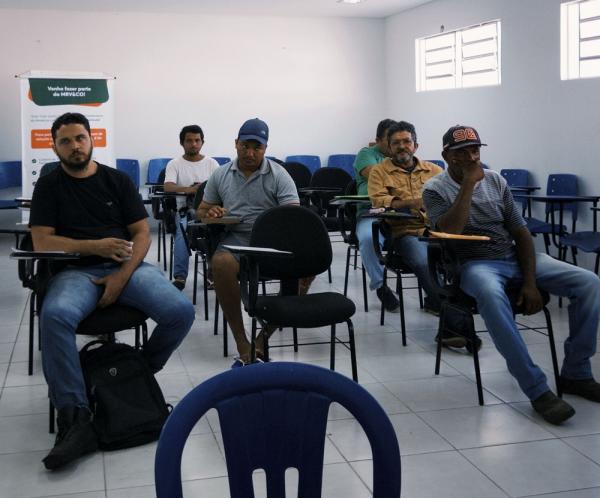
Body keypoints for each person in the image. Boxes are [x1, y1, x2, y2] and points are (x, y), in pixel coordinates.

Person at [30, 112, 195, 469]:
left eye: (80, 138)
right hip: (75, 272)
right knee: (55, 316)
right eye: (65, 141)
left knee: (181, 312)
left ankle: (136, 372)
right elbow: (42, 239)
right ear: (54, 146)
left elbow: (141, 233)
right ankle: (75, 419)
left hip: (127, 268)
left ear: (91, 139)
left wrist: (122, 275)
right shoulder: (49, 186)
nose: (75, 147)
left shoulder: (117, 180)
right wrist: (96, 247)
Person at [422, 124, 600, 425]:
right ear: (447, 156)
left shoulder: (496, 180)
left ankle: (577, 372)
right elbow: (448, 232)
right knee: (491, 295)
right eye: (462, 152)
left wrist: (530, 283)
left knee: (589, 283)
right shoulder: (434, 189)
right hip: (474, 264)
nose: (472, 157)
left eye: (475, 150)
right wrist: (467, 185)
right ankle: (537, 389)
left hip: (513, 256)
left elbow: (520, 231)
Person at [197, 118, 300, 367]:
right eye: (245, 146)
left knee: (307, 270)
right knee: (220, 263)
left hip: (272, 241)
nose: (250, 152)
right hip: (236, 239)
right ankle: (242, 342)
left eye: (257, 147)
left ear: (265, 148)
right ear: (236, 144)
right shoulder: (221, 174)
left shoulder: (279, 175)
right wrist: (211, 213)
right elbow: (202, 209)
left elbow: (293, 215)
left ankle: (262, 339)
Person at [368, 120, 444, 317]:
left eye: (406, 141)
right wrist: (414, 202)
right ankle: (452, 317)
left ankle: (443, 307)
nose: (402, 146)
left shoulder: (434, 171)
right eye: (396, 143)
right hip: (406, 233)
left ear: (415, 145)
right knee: (423, 262)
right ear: (389, 148)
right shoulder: (379, 172)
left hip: (438, 230)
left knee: (465, 259)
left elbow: (449, 198)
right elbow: (378, 202)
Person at [164, 125, 219, 290]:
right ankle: (180, 277)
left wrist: (204, 189)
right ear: (182, 143)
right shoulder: (175, 164)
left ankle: (213, 274)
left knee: (217, 230)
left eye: (197, 140)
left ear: (202, 142)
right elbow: (168, 187)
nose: (193, 144)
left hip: (209, 211)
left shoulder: (212, 164)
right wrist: (191, 189)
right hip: (184, 211)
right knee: (183, 230)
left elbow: (221, 188)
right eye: (189, 140)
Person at [354, 119, 400, 312]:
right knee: (367, 239)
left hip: (399, 213)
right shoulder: (367, 154)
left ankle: (435, 291)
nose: (393, 144)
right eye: (389, 139)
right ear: (378, 140)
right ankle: (380, 285)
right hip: (370, 212)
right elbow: (375, 176)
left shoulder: (402, 156)